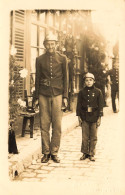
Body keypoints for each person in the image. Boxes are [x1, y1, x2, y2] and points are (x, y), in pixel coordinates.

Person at [34, 33, 69, 163]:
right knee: (44, 124)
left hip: (58, 94)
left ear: (56, 44)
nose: (50, 46)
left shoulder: (63, 58)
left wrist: (65, 96)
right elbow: (37, 79)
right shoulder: (39, 59)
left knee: (57, 125)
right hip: (43, 94)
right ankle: (46, 152)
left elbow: (66, 79)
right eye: (48, 43)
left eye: (53, 43)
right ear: (45, 45)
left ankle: (54, 152)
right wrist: (36, 97)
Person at [76, 72, 103, 161]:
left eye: (90, 80)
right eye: (87, 80)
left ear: (94, 81)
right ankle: (85, 153)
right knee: (85, 136)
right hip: (84, 117)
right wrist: (79, 116)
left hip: (94, 116)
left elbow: (100, 105)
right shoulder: (81, 92)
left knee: (93, 136)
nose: (88, 82)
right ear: (84, 82)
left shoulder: (98, 92)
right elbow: (79, 105)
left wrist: (99, 117)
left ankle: (91, 153)